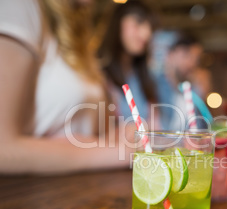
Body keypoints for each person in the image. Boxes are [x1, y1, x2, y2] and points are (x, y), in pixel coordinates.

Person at [0, 0, 132, 175]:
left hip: (78, 191)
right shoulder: (18, 5)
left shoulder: (77, 30)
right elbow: (4, 149)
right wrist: (120, 153)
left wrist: (117, 137)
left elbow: (80, 136)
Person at [99, 0, 157, 126]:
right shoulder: (97, 74)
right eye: (138, 22)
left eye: (150, 27)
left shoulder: (143, 77)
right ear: (117, 23)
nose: (146, 34)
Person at [154, 33, 207, 130]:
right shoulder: (153, 87)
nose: (191, 63)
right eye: (186, 55)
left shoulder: (193, 91)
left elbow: (201, 129)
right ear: (169, 55)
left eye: (196, 59)